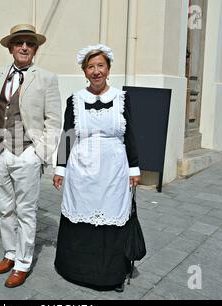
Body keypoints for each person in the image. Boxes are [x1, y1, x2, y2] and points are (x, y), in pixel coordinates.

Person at [0, 24, 62, 288]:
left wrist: (41, 153)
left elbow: (53, 119)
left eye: (29, 43)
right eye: (19, 43)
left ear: (35, 49)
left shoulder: (46, 78)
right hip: (0, 152)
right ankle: (10, 254)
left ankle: (23, 263)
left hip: (27, 153)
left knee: (26, 212)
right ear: (10, 47)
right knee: (5, 210)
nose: (24, 47)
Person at [52, 44, 141, 292]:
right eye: (90, 67)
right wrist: (61, 168)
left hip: (114, 169)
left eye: (100, 65)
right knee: (81, 216)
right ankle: (75, 269)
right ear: (84, 71)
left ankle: (110, 275)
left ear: (109, 69)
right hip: (82, 168)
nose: (96, 71)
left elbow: (130, 134)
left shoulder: (122, 99)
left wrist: (134, 168)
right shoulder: (75, 100)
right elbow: (67, 135)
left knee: (112, 217)